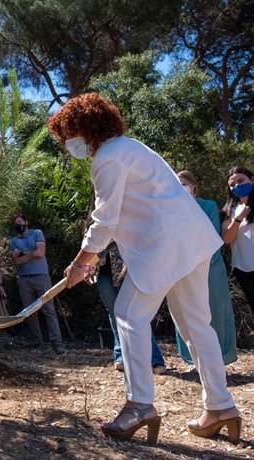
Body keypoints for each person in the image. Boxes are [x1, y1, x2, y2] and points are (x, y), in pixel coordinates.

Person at [48, 93, 241, 444]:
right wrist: (87, 258)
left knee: (127, 316)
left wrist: (80, 262)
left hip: (163, 245)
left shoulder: (106, 157)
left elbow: (104, 221)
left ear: (84, 128)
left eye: (67, 136)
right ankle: (220, 405)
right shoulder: (131, 147)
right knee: (197, 325)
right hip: (192, 239)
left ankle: (139, 405)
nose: (67, 144)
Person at [176, 170, 237, 365]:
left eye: (184, 183)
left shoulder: (208, 205)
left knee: (215, 311)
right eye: (177, 183)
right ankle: (195, 360)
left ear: (193, 185)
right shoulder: (172, 208)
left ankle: (219, 359)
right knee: (186, 314)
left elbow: (212, 236)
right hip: (183, 268)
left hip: (211, 266)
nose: (181, 186)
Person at [92, 241, 166, 374]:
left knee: (135, 314)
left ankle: (155, 360)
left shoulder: (121, 220)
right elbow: (90, 248)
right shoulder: (91, 224)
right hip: (102, 274)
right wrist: (87, 269)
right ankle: (120, 357)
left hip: (126, 272)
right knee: (113, 313)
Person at [10, 214, 65, 354]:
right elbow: (17, 262)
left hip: (41, 277)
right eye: (16, 223)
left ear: (26, 222)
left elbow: (40, 253)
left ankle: (57, 343)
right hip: (24, 279)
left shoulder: (37, 233)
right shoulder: (14, 240)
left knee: (48, 310)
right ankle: (38, 342)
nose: (19, 225)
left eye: (21, 222)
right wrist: (31, 253)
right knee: (29, 312)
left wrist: (22, 253)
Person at [221, 166, 254, 316]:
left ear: (252, 180)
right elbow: (226, 239)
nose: (237, 186)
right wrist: (238, 218)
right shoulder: (229, 210)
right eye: (232, 184)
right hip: (243, 268)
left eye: (241, 180)